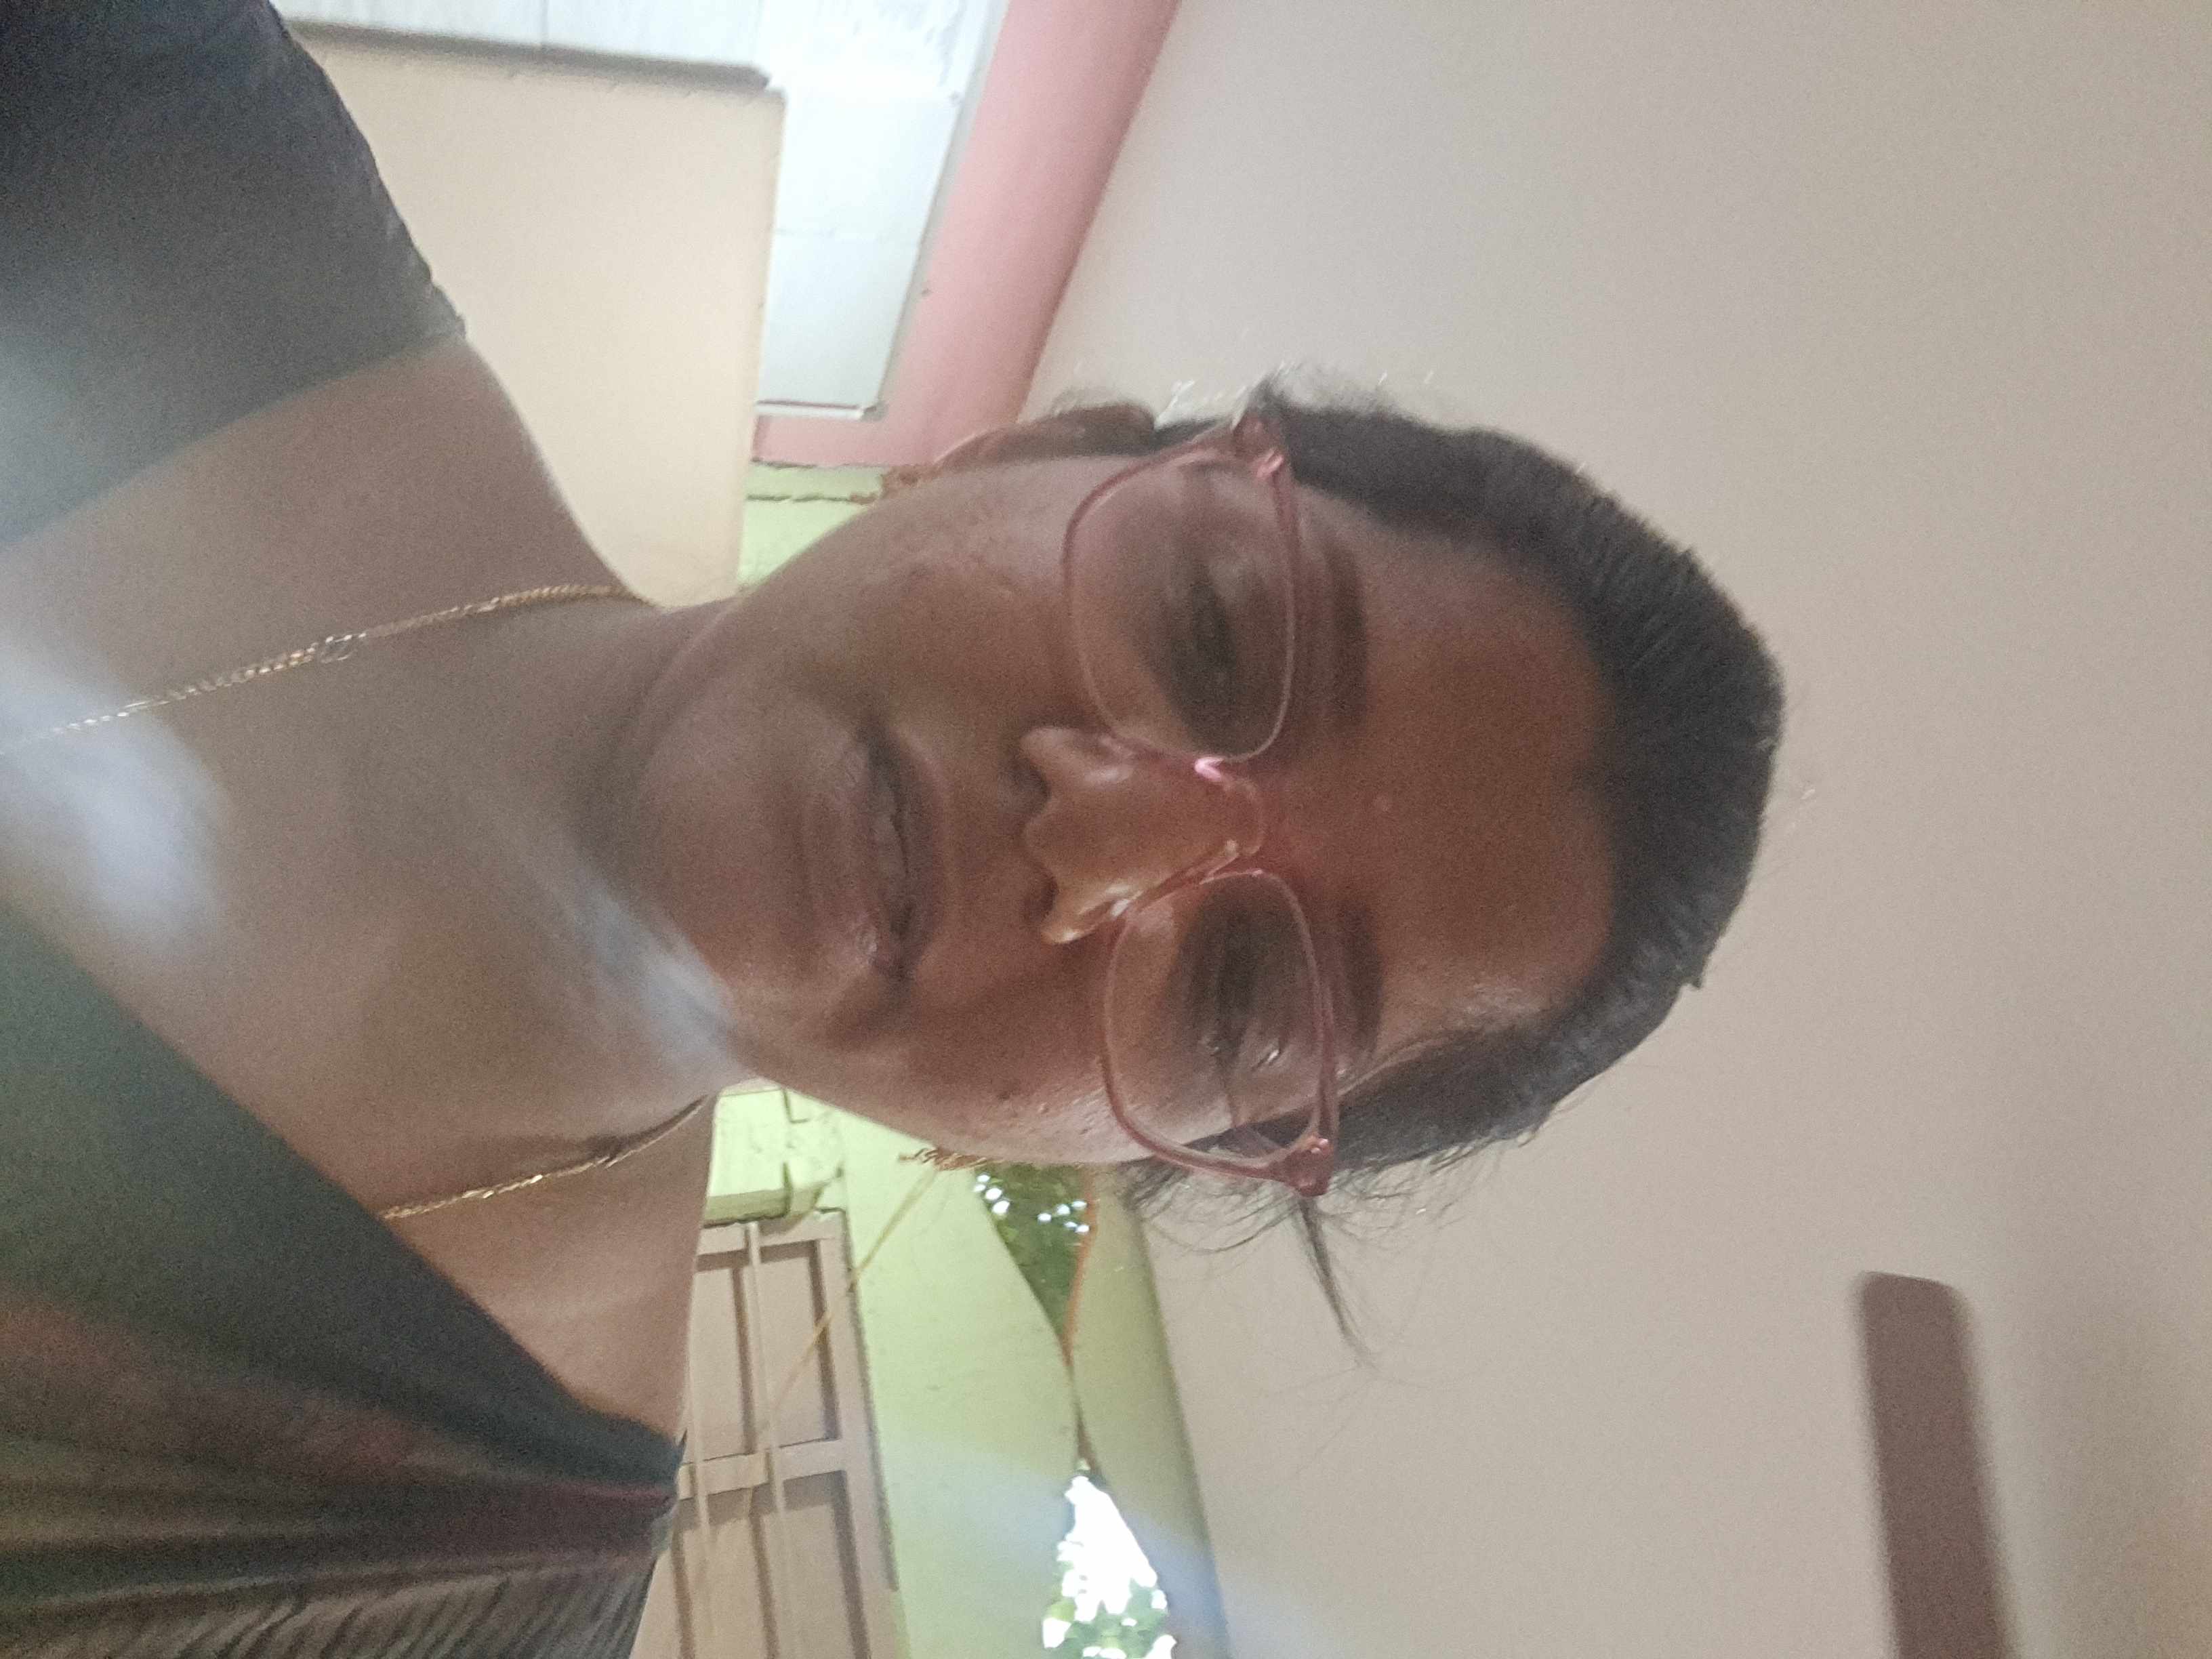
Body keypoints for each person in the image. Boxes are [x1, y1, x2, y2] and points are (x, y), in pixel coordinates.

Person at [0, 2, 1781, 1652]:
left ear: (1116, 1147)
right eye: (1213, 639)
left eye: (1239, 988)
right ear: (1033, 448)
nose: (1096, 848)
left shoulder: (438, 1587)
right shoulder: (140, 118)